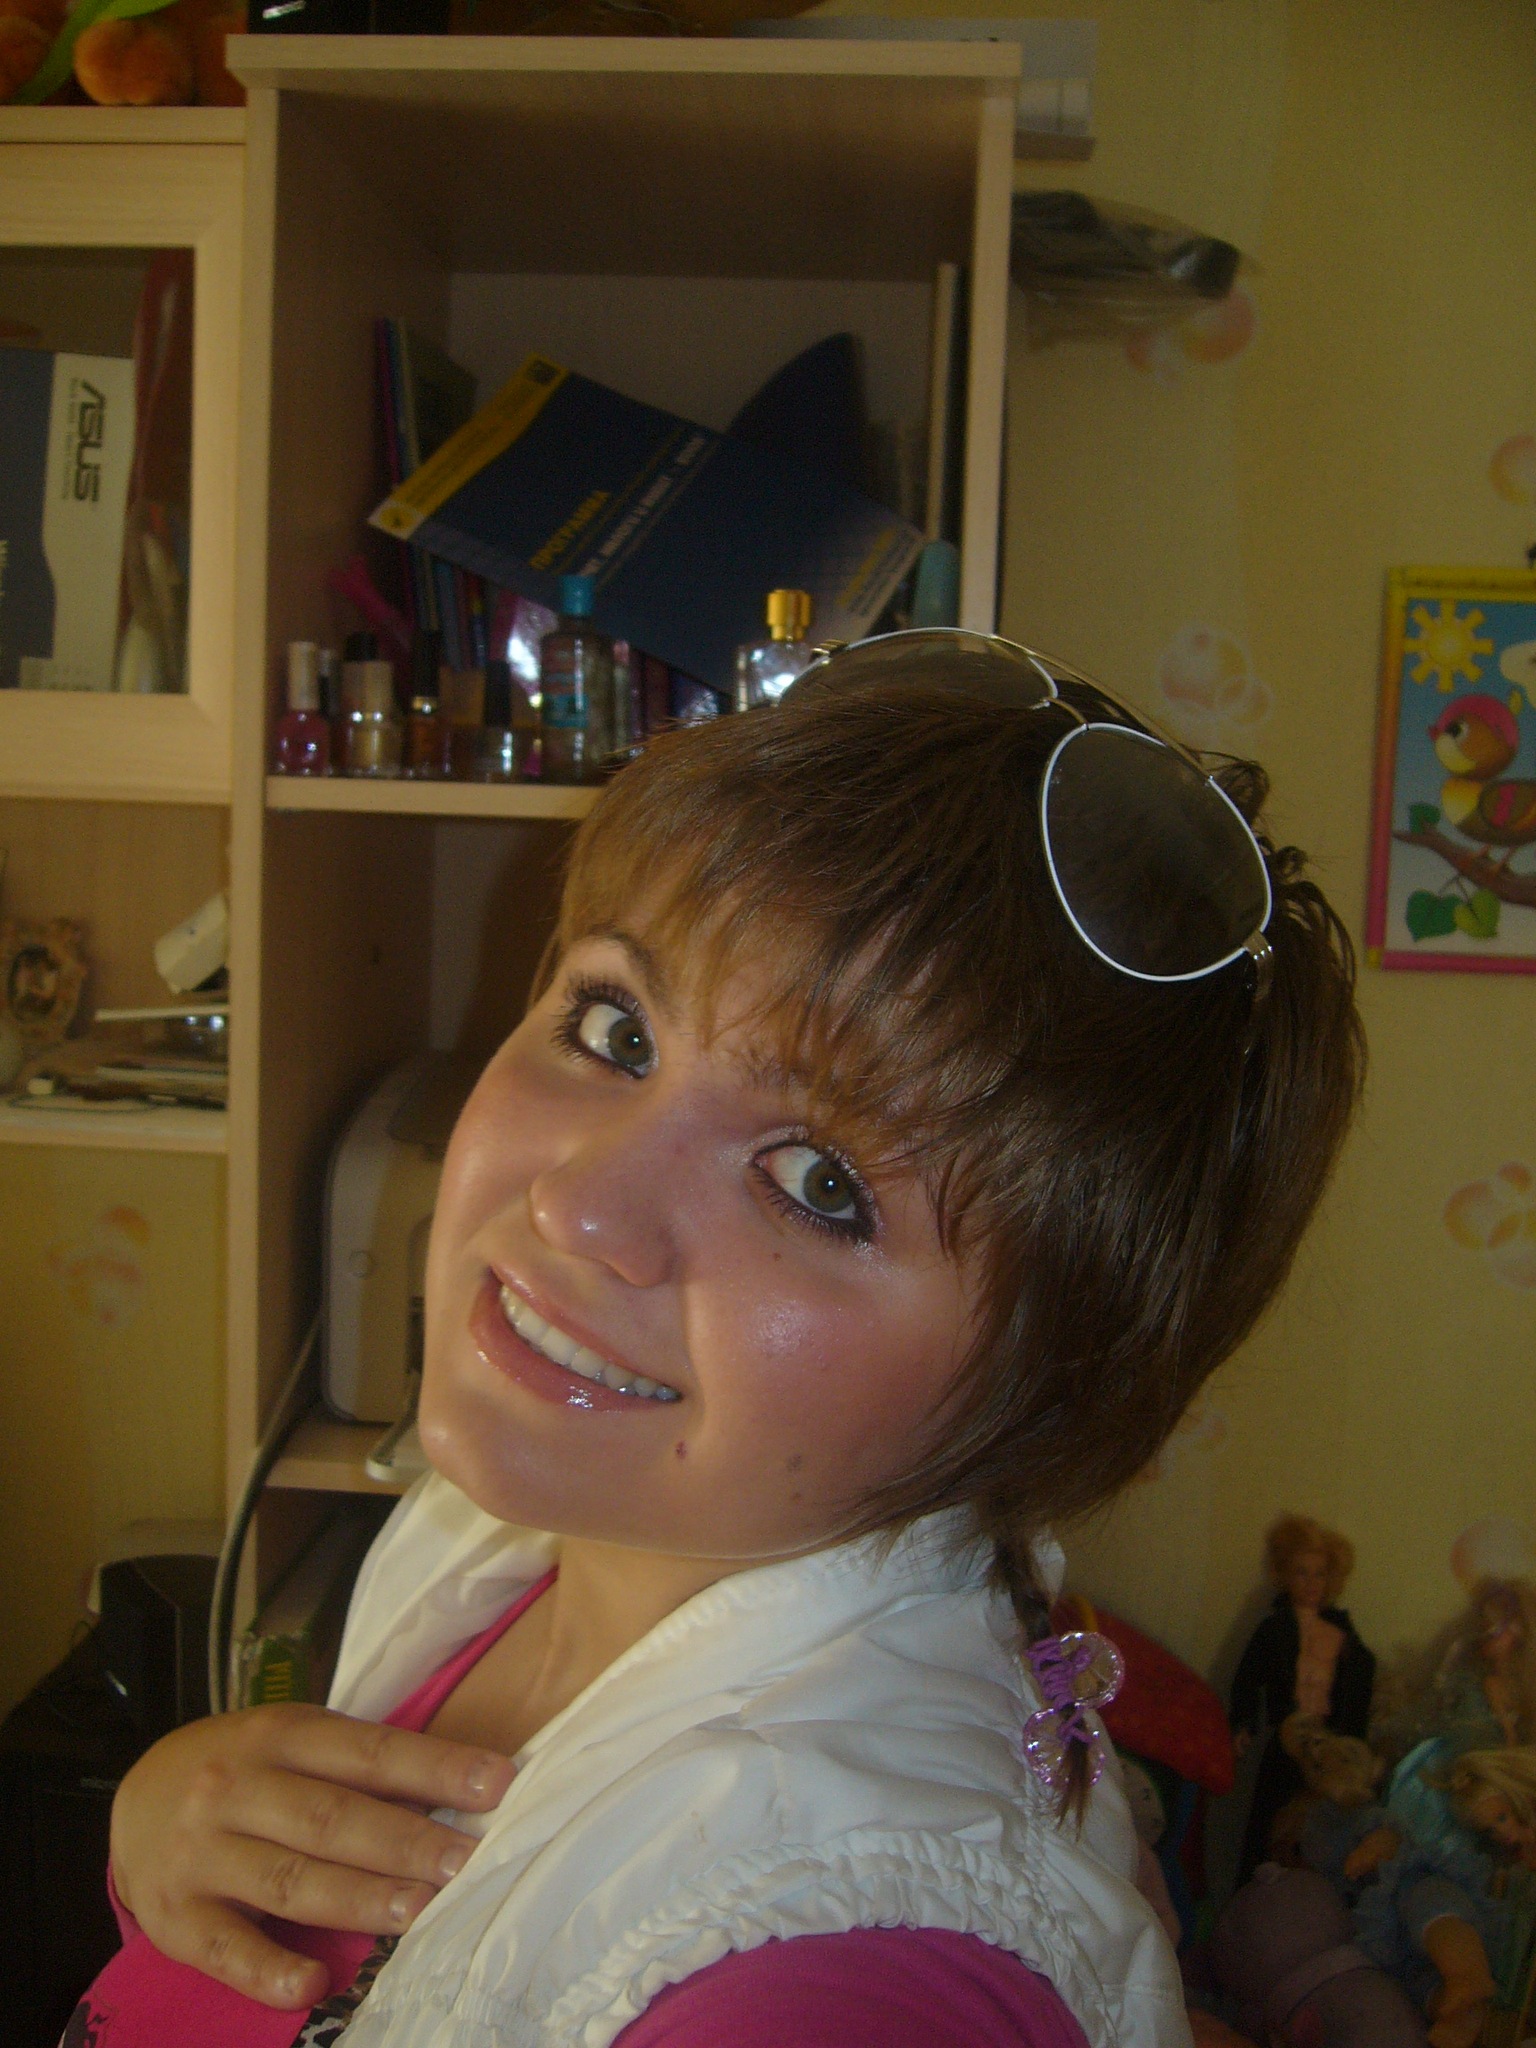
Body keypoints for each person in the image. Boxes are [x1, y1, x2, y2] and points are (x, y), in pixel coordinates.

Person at [94, 633, 1364, 2048]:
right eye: (616, 1030)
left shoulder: (833, 1979)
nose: (575, 1205)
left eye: (818, 1182)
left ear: (1044, 1393)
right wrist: (159, 1859)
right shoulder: (526, 1539)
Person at [1229, 1514, 1375, 1879]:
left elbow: (1360, 1678)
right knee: (1272, 1824)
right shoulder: (1274, 1628)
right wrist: (1243, 1721)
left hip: (1328, 1747)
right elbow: (1248, 1677)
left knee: (1320, 1829)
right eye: (1301, 1573)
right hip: (1287, 1743)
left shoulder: (1341, 1630)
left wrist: (1352, 1741)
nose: (1311, 1583)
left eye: (1320, 1574)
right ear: (1284, 1575)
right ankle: (1258, 1891)